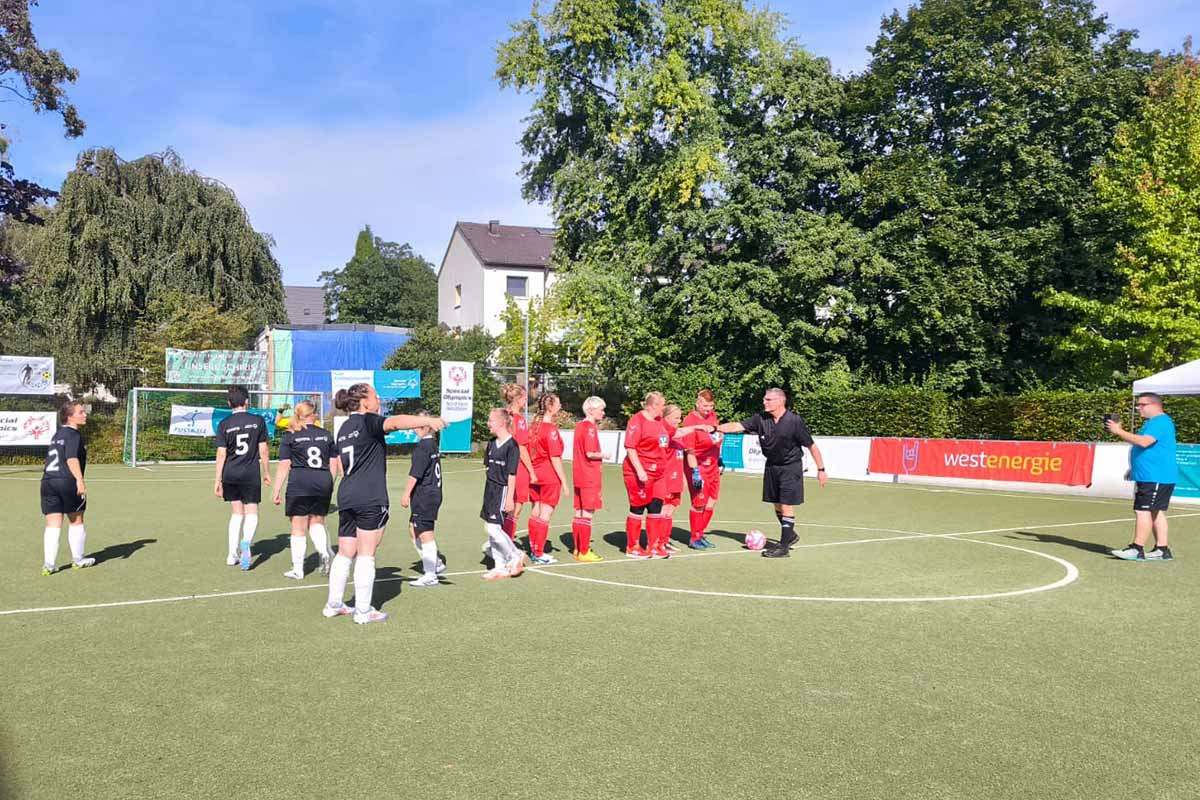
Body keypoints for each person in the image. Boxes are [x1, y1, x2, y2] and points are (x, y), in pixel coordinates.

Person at [323, 383, 445, 623]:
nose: (379, 400)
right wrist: (429, 421)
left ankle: (334, 604)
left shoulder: (344, 427)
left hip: (347, 495)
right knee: (366, 554)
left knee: (345, 553)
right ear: (365, 402)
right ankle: (363, 611)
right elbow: (396, 422)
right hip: (369, 496)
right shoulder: (368, 420)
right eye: (376, 396)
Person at [718, 387, 827, 558]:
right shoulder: (760, 418)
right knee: (776, 503)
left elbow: (811, 445)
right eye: (764, 399)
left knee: (785, 503)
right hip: (771, 466)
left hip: (790, 467)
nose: (764, 402)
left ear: (780, 401)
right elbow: (737, 426)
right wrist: (716, 428)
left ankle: (783, 547)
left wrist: (821, 469)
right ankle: (790, 535)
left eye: (768, 399)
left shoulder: (794, 421)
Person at [1107, 392, 1178, 561]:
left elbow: (1144, 442)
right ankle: (1162, 549)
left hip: (1156, 476)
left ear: (1154, 405)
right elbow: (1146, 447)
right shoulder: (1154, 423)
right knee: (1155, 511)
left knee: (1143, 510)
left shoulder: (1160, 422)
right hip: (1151, 474)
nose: (1138, 408)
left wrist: (1118, 431)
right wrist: (1134, 468)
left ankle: (1137, 548)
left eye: (1142, 404)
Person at [272, 401, 337, 580]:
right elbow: (334, 463)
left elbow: (284, 465)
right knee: (317, 522)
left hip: (300, 482)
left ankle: (298, 569)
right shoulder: (326, 435)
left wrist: (276, 489)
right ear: (312, 414)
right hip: (322, 481)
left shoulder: (291, 436)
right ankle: (324, 553)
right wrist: (329, 483)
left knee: (298, 527)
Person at [214, 386, 271, 571]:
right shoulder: (258, 421)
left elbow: (221, 454)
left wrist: (217, 480)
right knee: (252, 511)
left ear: (229, 403)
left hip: (230, 473)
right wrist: (267, 472)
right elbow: (263, 449)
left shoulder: (224, 424)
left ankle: (231, 554)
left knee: (236, 513)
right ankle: (245, 542)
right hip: (250, 473)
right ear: (247, 401)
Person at [40, 399, 94, 574]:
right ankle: (78, 560)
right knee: (76, 520)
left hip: (48, 482)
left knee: (53, 523)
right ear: (69, 417)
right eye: (80, 412)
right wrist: (80, 480)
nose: (84, 414)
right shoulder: (73, 435)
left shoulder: (57, 435)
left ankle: (49, 565)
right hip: (66, 482)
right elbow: (71, 458)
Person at [657, 404, 715, 554]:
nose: (679, 420)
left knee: (670, 510)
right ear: (666, 417)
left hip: (676, 478)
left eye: (680, 417)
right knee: (664, 510)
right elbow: (660, 451)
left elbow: (681, 434)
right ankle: (658, 542)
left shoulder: (675, 433)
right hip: (666, 478)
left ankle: (664, 540)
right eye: (676, 417)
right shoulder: (663, 431)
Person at [623, 391, 671, 559]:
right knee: (638, 507)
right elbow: (630, 447)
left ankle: (654, 545)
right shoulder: (637, 421)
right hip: (640, 471)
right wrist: (640, 470)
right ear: (652, 406)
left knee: (656, 507)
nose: (664, 408)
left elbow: (670, 436)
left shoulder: (660, 422)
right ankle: (632, 546)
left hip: (658, 473)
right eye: (662, 405)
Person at [481, 408, 526, 581]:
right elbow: (488, 468)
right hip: (490, 490)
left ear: (501, 423)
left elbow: (512, 474)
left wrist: (509, 499)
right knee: (492, 529)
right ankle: (499, 567)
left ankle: (515, 555)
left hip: (502, 490)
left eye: (490, 420)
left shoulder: (512, 446)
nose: (488, 423)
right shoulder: (492, 443)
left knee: (492, 527)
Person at [400, 414, 445, 587]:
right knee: (413, 529)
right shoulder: (432, 444)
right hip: (431, 493)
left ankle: (430, 573)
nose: (413, 427)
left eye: (417, 425)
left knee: (425, 533)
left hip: (425, 495)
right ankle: (435, 563)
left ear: (425, 427)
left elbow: (415, 474)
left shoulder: (423, 448)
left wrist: (405, 494)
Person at [528, 392, 567, 564]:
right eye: (558, 403)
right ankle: (538, 552)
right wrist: (564, 482)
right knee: (545, 513)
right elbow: (555, 457)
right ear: (550, 407)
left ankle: (533, 547)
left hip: (534, 475)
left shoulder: (533, 427)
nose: (560, 406)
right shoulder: (550, 429)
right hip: (548, 475)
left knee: (536, 510)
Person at [684, 389, 722, 549]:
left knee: (711, 501)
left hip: (713, 465)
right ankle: (694, 538)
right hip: (698, 465)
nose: (708, 409)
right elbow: (690, 451)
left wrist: (719, 458)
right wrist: (695, 472)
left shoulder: (713, 417)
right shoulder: (690, 421)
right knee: (699, 502)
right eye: (705, 405)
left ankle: (701, 533)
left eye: (711, 406)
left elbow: (717, 435)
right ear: (697, 402)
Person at [571, 396, 607, 562]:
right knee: (587, 513)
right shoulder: (589, 427)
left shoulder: (579, 425)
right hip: (589, 475)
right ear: (591, 410)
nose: (603, 412)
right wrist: (604, 455)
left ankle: (578, 549)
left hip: (579, 473)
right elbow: (590, 452)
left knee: (579, 512)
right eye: (601, 409)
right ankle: (584, 550)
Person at [501, 383, 536, 543]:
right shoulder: (518, 419)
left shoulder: (502, 416)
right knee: (515, 508)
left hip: (502, 466)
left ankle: (500, 541)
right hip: (517, 468)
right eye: (524, 397)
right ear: (518, 399)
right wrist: (532, 471)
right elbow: (521, 447)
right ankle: (505, 545)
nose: (526, 400)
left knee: (505, 507)